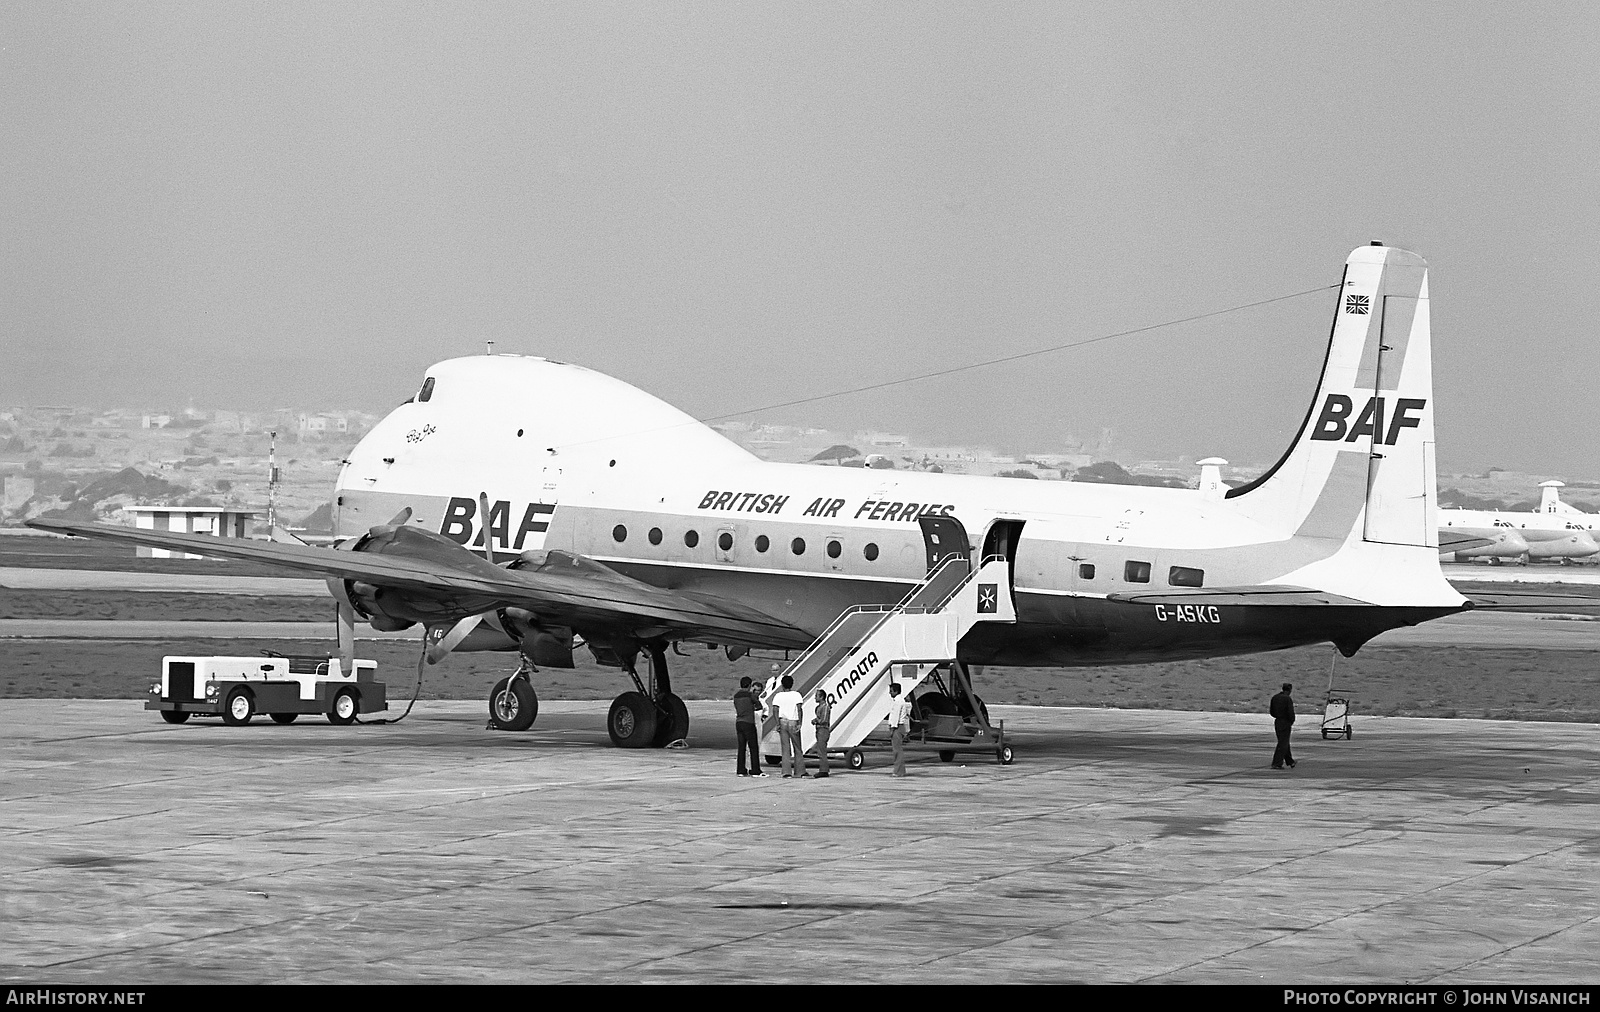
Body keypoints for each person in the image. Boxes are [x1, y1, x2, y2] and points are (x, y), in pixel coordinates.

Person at [768, 675, 807, 778]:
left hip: (783, 721)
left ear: (782, 685)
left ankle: (786, 772)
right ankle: (800, 771)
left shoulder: (778, 696)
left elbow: (775, 710)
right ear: (792, 684)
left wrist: (777, 723)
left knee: (785, 748)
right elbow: (799, 709)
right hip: (793, 721)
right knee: (797, 748)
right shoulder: (797, 695)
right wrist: (800, 723)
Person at [732, 677, 766, 777]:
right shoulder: (750, 695)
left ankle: (741, 770)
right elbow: (759, 705)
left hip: (739, 722)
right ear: (749, 686)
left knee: (741, 747)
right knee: (753, 746)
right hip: (748, 722)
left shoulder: (736, 696)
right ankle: (755, 770)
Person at [885, 682, 913, 777]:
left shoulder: (898, 702)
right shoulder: (900, 700)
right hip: (899, 726)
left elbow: (895, 716)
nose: (890, 693)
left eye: (891, 691)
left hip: (897, 727)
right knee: (898, 750)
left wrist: (892, 729)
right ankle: (900, 770)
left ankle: (898, 771)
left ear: (896, 691)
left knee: (897, 750)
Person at [1270, 682, 1297, 769]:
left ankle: (1290, 761)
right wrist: (1291, 720)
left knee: (1284, 742)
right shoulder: (1287, 699)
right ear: (1289, 690)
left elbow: (1272, 711)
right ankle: (1277, 763)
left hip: (1277, 721)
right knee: (1283, 743)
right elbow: (1290, 712)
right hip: (1285, 722)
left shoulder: (1275, 697)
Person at [811, 688, 833, 778]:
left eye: (816, 696)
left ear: (822, 697)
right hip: (819, 730)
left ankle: (824, 770)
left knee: (822, 751)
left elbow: (824, 720)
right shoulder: (819, 707)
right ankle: (823, 769)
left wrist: (816, 720)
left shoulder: (825, 707)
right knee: (820, 750)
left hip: (823, 730)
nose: (815, 698)